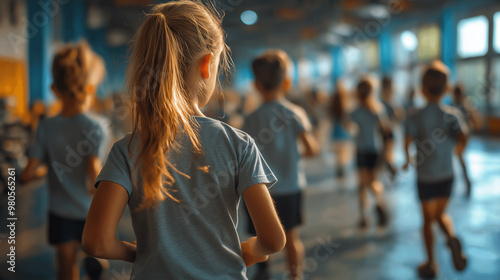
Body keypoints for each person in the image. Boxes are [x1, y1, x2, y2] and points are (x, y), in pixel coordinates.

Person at [82, 2, 286, 279]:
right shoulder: (239, 145)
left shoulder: (126, 151)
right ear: (206, 64)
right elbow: (273, 240)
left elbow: (97, 241)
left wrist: (142, 253)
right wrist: (251, 250)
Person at [21, 41, 108, 280]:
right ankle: (95, 258)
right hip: (88, 214)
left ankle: (84, 261)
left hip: (59, 213)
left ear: (54, 88)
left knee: (65, 268)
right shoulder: (95, 127)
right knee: (92, 252)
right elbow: (94, 181)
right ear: (90, 88)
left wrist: (50, 169)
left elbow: (28, 174)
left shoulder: (46, 127)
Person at [243, 49, 319, 280]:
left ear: (256, 85)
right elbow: (312, 149)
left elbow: (246, 157)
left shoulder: (251, 118)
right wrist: (293, 155)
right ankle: (295, 276)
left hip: (260, 191)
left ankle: (263, 272)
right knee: (292, 239)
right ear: (286, 82)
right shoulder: (294, 113)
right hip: (291, 187)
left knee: (260, 239)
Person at [403, 60, 468, 278]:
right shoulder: (452, 115)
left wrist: (406, 158)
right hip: (447, 174)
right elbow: (463, 135)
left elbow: (407, 138)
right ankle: (450, 237)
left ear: (422, 89)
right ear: (446, 89)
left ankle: (431, 262)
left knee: (427, 220)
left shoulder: (415, 115)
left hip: (426, 176)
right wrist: (459, 150)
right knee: (441, 215)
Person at [349, 76, 390, 229]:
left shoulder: (355, 112)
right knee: (374, 182)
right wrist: (387, 154)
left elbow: (348, 127)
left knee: (362, 184)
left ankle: (363, 216)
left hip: (361, 151)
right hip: (374, 150)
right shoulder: (378, 110)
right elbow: (386, 132)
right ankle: (380, 202)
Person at [452, 84, 482, 197]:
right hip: (460, 137)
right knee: (459, 158)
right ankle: (465, 181)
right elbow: (476, 121)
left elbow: (476, 121)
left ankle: (465, 181)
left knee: (459, 158)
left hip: (459, 137)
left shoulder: (460, 106)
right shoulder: (463, 105)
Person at [329, 81, 352, 178]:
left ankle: (339, 168)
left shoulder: (332, 106)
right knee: (343, 153)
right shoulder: (345, 105)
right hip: (343, 132)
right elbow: (348, 121)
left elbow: (329, 117)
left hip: (335, 131)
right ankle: (342, 168)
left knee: (338, 153)